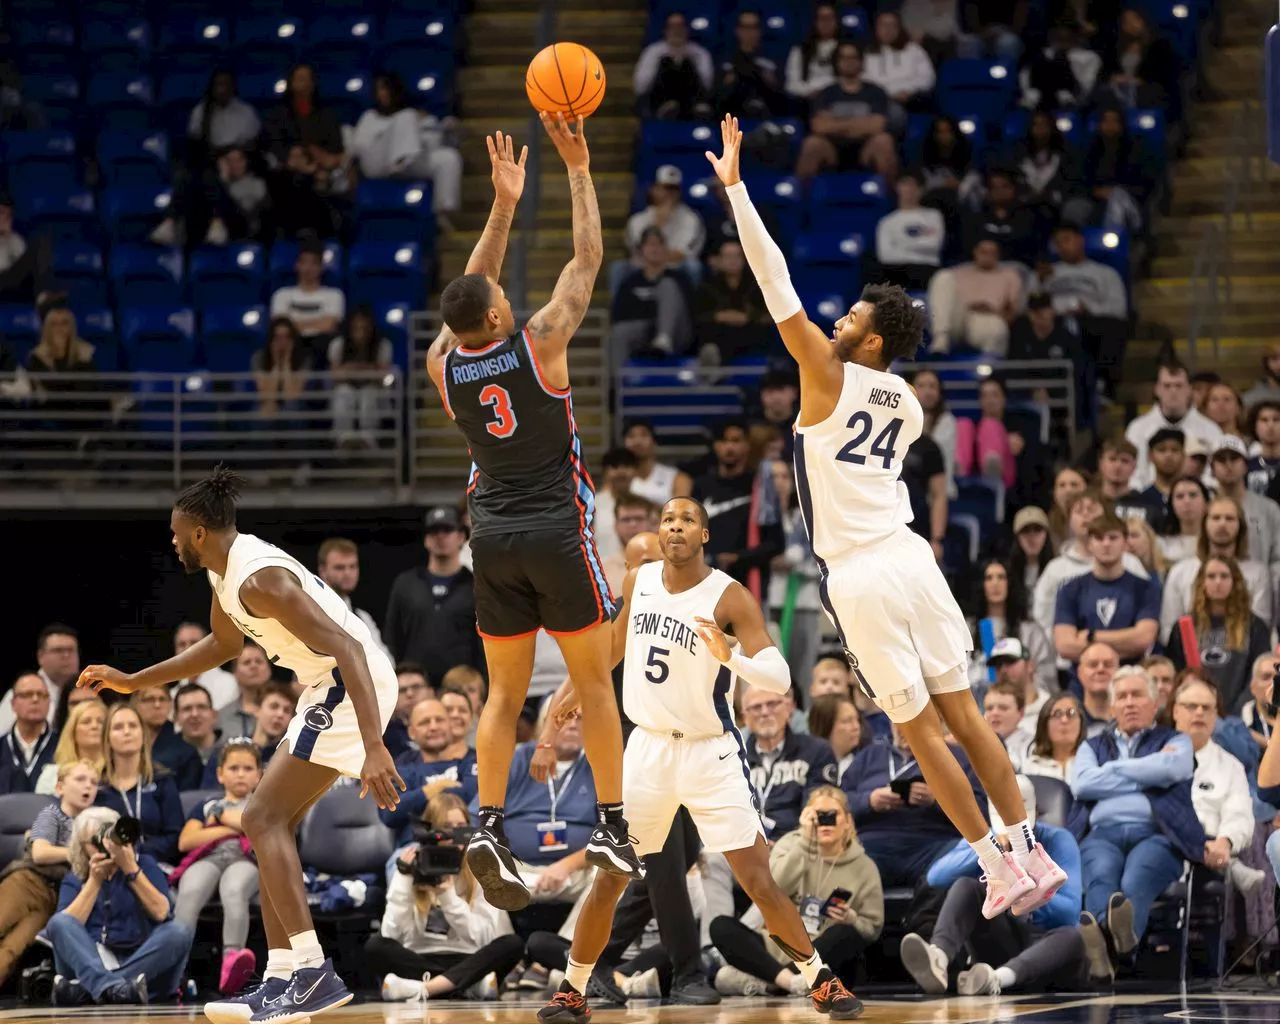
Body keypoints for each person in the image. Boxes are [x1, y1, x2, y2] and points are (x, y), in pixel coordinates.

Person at [707, 114, 1059, 917]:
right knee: (968, 719)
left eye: (854, 320)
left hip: (863, 572)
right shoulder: (905, 400)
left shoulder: (827, 376)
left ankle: (992, 865)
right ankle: (1027, 847)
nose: (839, 320)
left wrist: (735, 190)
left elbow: (775, 285)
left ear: (868, 343)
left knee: (920, 733)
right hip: (913, 558)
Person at [76, 466, 403, 1024]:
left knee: (260, 817)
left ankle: (311, 972)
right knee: (273, 823)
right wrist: (133, 681)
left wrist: (374, 746)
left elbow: (349, 646)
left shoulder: (258, 578)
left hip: (353, 682)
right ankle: (282, 977)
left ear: (199, 531)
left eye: (177, 532)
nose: (173, 541)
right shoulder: (225, 576)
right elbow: (222, 645)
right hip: (330, 684)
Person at [532, 497, 863, 1023]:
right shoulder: (638, 581)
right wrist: (570, 693)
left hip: (710, 752)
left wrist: (729, 655)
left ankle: (820, 980)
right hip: (648, 748)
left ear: (704, 534)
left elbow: (778, 677)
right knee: (610, 876)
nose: (675, 527)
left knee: (757, 877)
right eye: (668, 520)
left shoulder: (729, 596)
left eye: (687, 520)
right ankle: (573, 989)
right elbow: (613, 647)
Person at [425, 119, 643, 913]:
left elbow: (463, 306)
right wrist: (579, 169)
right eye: (504, 300)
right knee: (594, 685)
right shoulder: (539, 343)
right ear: (496, 319)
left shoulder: (445, 370)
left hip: (492, 538)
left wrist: (503, 206)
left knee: (500, 699)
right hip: (555, 530)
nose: (514, 300)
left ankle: (486, 823)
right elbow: (586, 261)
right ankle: (615, 825)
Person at [905, 776, 1088, 996]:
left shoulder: (1059, 839)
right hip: (1003, 942)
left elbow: (1069, 912)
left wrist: (1024, 894)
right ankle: (939, 958)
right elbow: (936, 877)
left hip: (1046, 946)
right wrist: (990, 851)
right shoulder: (987, 839)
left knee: (1074, 936)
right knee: (966, 886)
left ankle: (995, 980)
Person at [1069, 665, 1202, 958]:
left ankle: (1103, 954)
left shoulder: (1175, 740)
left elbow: (1175, 767)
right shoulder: (1092, 745)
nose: (1129, 702)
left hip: (1159, 834)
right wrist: (1149, 773)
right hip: (1102, 834)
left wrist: (1111, 771)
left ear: (1155, 704)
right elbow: (1082, 784)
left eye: (1138, 695)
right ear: (1113, 706)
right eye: (1123, 696)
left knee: (1135, 879)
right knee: (1101, 873)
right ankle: (1121, 948)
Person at [710, 786, 884, 997]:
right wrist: (805, 843)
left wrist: (850, 917)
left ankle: (770, 982)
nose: (825, 821)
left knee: (847, 934)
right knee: (721, 926)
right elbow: (770, 890)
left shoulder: (864, 866)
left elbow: (872, 929)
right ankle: (792, 983)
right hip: (780, 944)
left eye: (833, 815)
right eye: (818, 815)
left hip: (824, 948)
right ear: (806, 817)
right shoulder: (791, 845)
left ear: (848, 821)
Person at [372, 791, 526, 1002]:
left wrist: (447, 896)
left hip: (468, 957)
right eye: (446, 827)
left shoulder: (479, 867)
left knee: (512, 943)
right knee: (375, 945)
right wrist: (404, 878)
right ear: (430, 829)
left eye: (460, 827)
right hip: (419, 957)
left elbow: (481, 937)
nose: (454, 836)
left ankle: (425, 988)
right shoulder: (411, 863)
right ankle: (468, 986)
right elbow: (392, 934)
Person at [47, 806, 194, 1006]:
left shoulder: (145, 865)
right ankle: (117, 990)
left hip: (142, 964)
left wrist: (131, 870)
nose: (106, 847)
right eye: (96, 842)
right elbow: (65, 927)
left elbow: (162, 913)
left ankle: (90, 991)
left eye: (110, 839)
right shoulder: (75, 878)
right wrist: (95, 881)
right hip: (91, 962)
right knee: (59, 922)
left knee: (179, 931)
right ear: (81, 847)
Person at [174, 740, 264, 995]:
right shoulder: (205, 805)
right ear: (220, 774)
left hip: (245, 861)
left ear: (258, 775)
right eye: (233, 768)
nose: (240, 774)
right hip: (210, 859)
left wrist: (220, 819)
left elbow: (259, 830)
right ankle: (176, 972)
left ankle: (232, 962)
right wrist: (231, 827)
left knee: (233, 890)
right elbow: (187, 840)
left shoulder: (263, 805)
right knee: (189, 892)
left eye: (247, 768)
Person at [0, 760, 98, 988]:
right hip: (28, 883)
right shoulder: (51, 815)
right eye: (80, 779)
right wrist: (78, 853)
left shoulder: (93, 823)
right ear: (60, 788)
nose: (88, 787)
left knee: (13, 948)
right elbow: (40, 852)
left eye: (94, 782)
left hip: (53, 898)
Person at [1169, 677, 1266, 893]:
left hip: (1215, 850)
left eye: (1206, 708)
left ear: (1215, 716)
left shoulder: (1231, 766)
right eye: (1191, 706)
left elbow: (1240, 814)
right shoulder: (1155, 754)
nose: (1199, 713)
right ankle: (1233, 868)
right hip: (1165, 846)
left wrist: (1226, 841)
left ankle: (1227, 863)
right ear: (1175, 711)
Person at [350, 73, 462, 230]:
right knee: (407, 117)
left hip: (410, 163)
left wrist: (446, 129)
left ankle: (443, 213)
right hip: (380, 166)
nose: (383, 93)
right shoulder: (370, 117)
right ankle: (401, 161)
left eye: (386, 89)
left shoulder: (413, 116)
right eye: (379, 89)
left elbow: (433, 142)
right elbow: (358, 149)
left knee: (448, 158)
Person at [1052, 512, 1160, 669]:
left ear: (1125, 543)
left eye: (1113, 537)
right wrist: (1125, 645)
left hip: (1130, 677)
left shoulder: (1145, 588)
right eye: (1099, 538)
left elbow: (1143, 639)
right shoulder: (1070, 589)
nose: (1106, 544)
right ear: (1089, 544)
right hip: (1081, 683)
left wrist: (1091, 636)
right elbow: (1065, 646)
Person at [384, 506, 482, 679]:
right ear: (426, 539)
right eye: (434, 531)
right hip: (416, 686)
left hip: (462, 686)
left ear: (461, 536)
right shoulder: (406, 584)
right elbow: (392, 639)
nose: (440, 536)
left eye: (447, 530)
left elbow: (483, 644)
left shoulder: (476, 585)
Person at [1158, 496, 1271, 644]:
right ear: (1204, 524)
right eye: (1216, 518)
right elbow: (1169, 628)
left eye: (1229, 519)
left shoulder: (1258, 572)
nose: (1222, 524)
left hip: (1241, 654)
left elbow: (1260, 629)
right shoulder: (1180, 571)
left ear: (1240, 526)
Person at [1165, 557, 1271, 713]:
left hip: (1240, 714)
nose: (1218, 582)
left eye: (1224, 576)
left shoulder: (1255, 626)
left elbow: (1257, 676)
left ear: (1235, 581)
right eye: (1211, 576)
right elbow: (1177, 674)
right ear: (1202, 582)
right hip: (1197, 711)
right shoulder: (1184, 626)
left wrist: (1238, 713)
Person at [795, 41, 898, 184]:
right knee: (812, 144)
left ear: (860, 61)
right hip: (832, 148)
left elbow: (876, 126)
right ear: (837, 63)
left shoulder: (876, 92)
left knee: (884, 141)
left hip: (866, 147)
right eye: (843, 58)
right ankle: (802, 201)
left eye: (853, 57)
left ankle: (891, 200)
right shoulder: (826, 93)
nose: (848, 62)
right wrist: (859, 124)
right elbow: (819, 127)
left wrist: (836, 123)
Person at [95, 703, 183, 865]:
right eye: (118, 727)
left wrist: (136, 854)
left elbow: (175, 836)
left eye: (133, 726)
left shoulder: (162, 780)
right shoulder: (97, 788)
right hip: (110, 867)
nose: (127, 732)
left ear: (143, 734)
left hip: (156, 864)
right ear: (107, 738)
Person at [1126, 362, 1224, 490]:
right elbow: (1133, 475)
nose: (1173, 391)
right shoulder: (1137, 429)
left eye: (1179, 386)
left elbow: (1215, 477)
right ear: (1157, 389)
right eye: (1167, 386)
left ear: (1189, 389)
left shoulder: (1211, 430)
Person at [927, 237, 1023, 356]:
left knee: (997, 328)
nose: (988, 256)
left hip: (988, 317)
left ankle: (989, 369)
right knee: (943, 276)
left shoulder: (1010, 275)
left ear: (998, 255)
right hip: (959, 316)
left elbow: (1013, 311)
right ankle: (941, 338)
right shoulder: (959, 272)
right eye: (983, 252)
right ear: (975, 252)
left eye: (992, 253)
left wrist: (994, 313)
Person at [328, 307, 394, 449]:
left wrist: (352, 368)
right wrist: (367, 369)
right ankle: (343, 438)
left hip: (374, 389)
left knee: (368, 395)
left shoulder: (383, 345)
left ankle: (369, 438)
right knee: (343, 393)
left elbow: (382, 376)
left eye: (364, 328)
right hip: (346, 388)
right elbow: (336, 375)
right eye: (356, 328)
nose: (360, 333)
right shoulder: (338, 345)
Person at [1209, 435, 1280, 566]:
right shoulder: (1204, 507)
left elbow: (1277, 557)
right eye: (1221, 459)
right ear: (1212, 469)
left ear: (1246, 465)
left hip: (1260, 582)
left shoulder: (1269, 509)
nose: (1228, 465)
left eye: (1234, 458)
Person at [872, 172, 945, 291]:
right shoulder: (887, 222)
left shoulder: (933, 216)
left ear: (921, 190)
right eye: (905, 185)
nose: (910, 190)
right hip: (897, 271)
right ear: (897, 188)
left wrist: (900, 244)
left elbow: (934, 245)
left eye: (914, 185)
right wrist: (917, 246)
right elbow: (885, 255)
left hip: (927, 269)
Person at [634, 12, 715, 120]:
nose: (676, 31)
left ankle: (696, 107)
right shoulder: (653, 52)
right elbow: (641, 86)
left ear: (687, 30)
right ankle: (667, 106)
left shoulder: (699, 53)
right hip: (661, 99)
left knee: (686, 64)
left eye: (680, 27)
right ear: (665, 30)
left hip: (691, 100)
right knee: (667, 63)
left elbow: (708, 83)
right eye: (672, 27)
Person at [133, 687, 202, 791]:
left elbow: (189, 798)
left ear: (170, 705)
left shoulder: (186, 752)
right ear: (136, 704)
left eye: (162, 699)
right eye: (150, 699)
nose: (157, 705)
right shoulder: (126, 744)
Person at [0, 673, 57, 795]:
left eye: (42, 695)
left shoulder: (63, 745)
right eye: (27, 694)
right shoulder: (2, 746)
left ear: (49, 702)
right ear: (13, 704)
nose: (35, 699)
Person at [35, 699, 105, 796]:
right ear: (72, 731)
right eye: (86, 722)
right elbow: (42, 809)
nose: (94, 726)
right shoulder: (52, 775)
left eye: (101, 722)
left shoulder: (117, 773)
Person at [1019, 694, 1087, 783]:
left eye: (1071, 713)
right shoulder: (1030, 767)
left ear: (1081, 722)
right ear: (1044, 724)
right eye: (1057, 714)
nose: (1064, 720)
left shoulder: (1093, 763)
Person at [174, 683, 221, 769]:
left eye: (201, 707)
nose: (195, 714)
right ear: (176, 718)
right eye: (187, 709)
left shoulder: (233, 751)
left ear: (214, 715)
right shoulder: (168, 757)